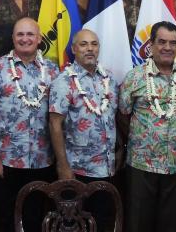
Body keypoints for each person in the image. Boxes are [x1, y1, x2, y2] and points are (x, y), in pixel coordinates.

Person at [0, 17, 59, 232]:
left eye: (30, 34)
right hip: (5, 161)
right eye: (20, 34)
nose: (25, 39)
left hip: (42, 161)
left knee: (36, 219)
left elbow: (59, 116)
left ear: (39, 38)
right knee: (3, 218)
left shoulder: (52, 70)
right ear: (13, 38)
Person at [118, 21, 176, 232]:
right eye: (162, 42)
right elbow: (123, 116)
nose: (167, 47)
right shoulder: (134, 77)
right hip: (142, 163)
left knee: (171, 223)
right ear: (152, 45)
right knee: (138, 222)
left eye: (172, 43)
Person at [48, 29, 119, 228]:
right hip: (78, 170)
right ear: (74, 49)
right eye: (84, 44)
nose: (90, 49)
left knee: (104, 221)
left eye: (94, 44)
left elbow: (115, 118)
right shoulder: (64, 82)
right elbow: (54, 124)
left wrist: (120, 149)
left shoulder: (109, 81)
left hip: (108, 168)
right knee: (77, 224)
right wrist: (63, 166)